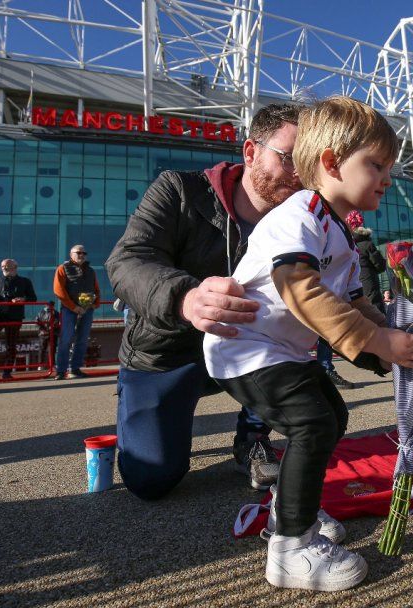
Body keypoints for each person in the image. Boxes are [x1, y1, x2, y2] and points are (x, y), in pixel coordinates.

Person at [204, 96, 413, 592]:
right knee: (312, 421)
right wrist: (379, 340)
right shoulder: (297, 214)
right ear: (329, 163)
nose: (387, 177)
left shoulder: (336, 231)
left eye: (390, 167)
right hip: (245, 348)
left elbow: (360, 308)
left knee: (331, 416)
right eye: (376, 165)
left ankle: (291, 508)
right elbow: (299, 288)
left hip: (278, 349)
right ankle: (290, 549)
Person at [105, 104, 303, 498]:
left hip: (249, 352)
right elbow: (127, 261)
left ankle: (252, 435)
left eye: (310, 163)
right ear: (250, 152)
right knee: (152, 480)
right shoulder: (178, 189)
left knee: (302, 355)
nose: (301, 174)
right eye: (289, 159)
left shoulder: (303, 219)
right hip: (166, 352)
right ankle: (143, 411)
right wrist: (187, 297)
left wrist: (400, 343)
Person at [0, 259, 37, 380]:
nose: (4, 268)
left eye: (7, 265)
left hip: (14, 316)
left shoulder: (24, 281)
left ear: (15, 267)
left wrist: (23, 300)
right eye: (2, 266)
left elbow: (33, 298)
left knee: (11, 344)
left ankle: (7, 371)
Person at [53, 245, 100, 380]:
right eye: (78, 252)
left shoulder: (90, 271)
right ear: (71, 254)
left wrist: (94, 304)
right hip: (69, 309)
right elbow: (59, 290)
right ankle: (61, 371)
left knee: (83, 339)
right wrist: (73, 307)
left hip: (87, 309)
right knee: (66, 339)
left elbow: (96, 289)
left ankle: (75, 369)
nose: (82, 255)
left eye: (84, 253)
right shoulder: (62, 268)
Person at [345, 209, 387, 313]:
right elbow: (380, 266)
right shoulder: (367, 244)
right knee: (375, 311)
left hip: (351, 286)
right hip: (369, 283)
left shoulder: (346, 244)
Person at [35, 301, 60, 368]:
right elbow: (37, 322)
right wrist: (43, 330)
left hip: (53, 333)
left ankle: (52, 364)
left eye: (51, 305)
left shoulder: (56, 313)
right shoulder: (41, 313)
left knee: (52, 349)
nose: (50, 306)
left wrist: (53, 327)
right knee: (42, 349)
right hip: (43, 334)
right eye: (49, 305)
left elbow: (58, 322)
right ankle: (40, 364)